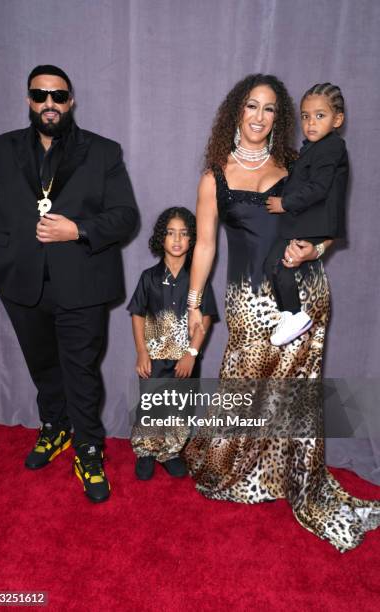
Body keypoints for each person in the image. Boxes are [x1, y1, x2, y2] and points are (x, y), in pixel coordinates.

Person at [184, 73, 380, 551]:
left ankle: (282, 476)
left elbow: (329, 218)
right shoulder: (215, 174)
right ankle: (233, 468)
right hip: (248, 299)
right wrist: (194, 302)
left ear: (280, 117)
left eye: (270, 108)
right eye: (252, 105)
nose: (259, 116)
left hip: (305, 293)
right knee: (245, 388)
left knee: (294, 396)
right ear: (237, 111)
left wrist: (314, 252)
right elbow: (206, 245)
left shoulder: (299, 161)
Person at [0, 65, 138, 503]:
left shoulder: (103, 152)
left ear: (71, 101)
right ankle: (56, 428)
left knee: (80, 371)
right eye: (40, 95)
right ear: (29, 100)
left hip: (83, 282)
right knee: (44, 366)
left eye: (59, 96)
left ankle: (88, 448)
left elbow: (125, 217)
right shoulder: (1, 148)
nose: (50, 103)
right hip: (21, 283)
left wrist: (77, 230)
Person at [127, 207, 218, 480]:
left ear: (192, 240)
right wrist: (142, 351)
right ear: (161, 239)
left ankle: (170, 452)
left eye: (184, 234)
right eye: (170, 233)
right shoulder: (149, 278)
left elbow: (207, 318)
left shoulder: (198, 280)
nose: (177, 240)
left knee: (180, 407)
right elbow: (137, 315)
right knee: (152, 405)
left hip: (185, 359)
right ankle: (146, 451)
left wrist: (192, 353)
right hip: (154, 358)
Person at [265, 83, 348, 346]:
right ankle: (290, 314)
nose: (311, 123)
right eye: (305, 116)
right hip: (303, 221)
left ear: (338, 119)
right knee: (273, 264)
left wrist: (284, 204)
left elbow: (319, 188)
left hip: (312, 223)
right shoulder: (312, 148)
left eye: (319, 116)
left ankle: (296, 314)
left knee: (282, 263)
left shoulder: (331, 147)